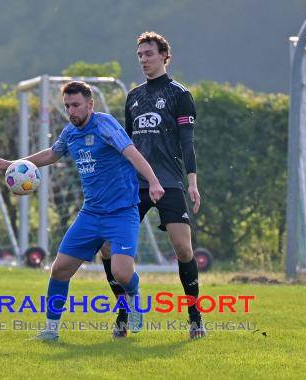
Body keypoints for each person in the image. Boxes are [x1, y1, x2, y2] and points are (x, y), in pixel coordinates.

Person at [0, 81, 164, 341]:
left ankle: (134, 296)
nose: (72, 111)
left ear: (90, 104)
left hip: (121, 213)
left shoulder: (105, 125)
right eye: (68, 106)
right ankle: (50, 330)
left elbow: (132, 153)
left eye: (76, 105)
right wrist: (14, 164)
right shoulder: (70, 133)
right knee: (59, 270)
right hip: (91, 214)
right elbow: (51, 154)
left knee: (122, 273)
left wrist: (154, 182)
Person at [101, 31, 206, 339]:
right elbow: (126, 146)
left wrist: (193, 183)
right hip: (134, 184)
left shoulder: (179, 94)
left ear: (164, 56)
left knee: (183, 249)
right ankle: (123, 313)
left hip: (169, 181)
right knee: (107, 248)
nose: (144, 59)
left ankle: (195, 316)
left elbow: (188, 143)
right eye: (140, 55)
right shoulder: (133, 97)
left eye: (149, 53)